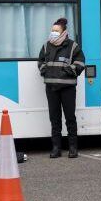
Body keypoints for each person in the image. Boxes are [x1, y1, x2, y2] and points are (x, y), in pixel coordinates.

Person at [38, 18, 85, 158]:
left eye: (56, 31)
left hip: (67, 88)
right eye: (52, 30)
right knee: (55, 118)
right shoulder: (46, 46)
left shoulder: (73, 46)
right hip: (51, 88)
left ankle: (72, 148)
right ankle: (56, 148)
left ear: (64, 32)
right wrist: (44, 69)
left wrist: (67, 71)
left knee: (70, 118)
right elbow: (40, 62)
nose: (53, 33)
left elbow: (80, 63)